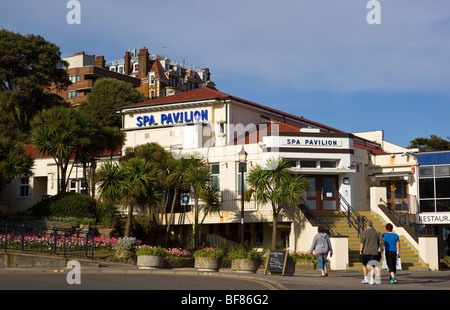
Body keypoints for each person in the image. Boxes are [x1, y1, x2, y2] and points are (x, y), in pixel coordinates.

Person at [360, 220, 380, 285]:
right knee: (372, 266)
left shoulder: (364, 232)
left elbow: (362, 243)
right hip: (374, 251)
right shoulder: (376, 233)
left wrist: (360, 250)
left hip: (365, 251)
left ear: (366, 225)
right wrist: (376, 249)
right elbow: (378, 244)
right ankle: (371, 280)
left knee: (364, 265)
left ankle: (365, 278)